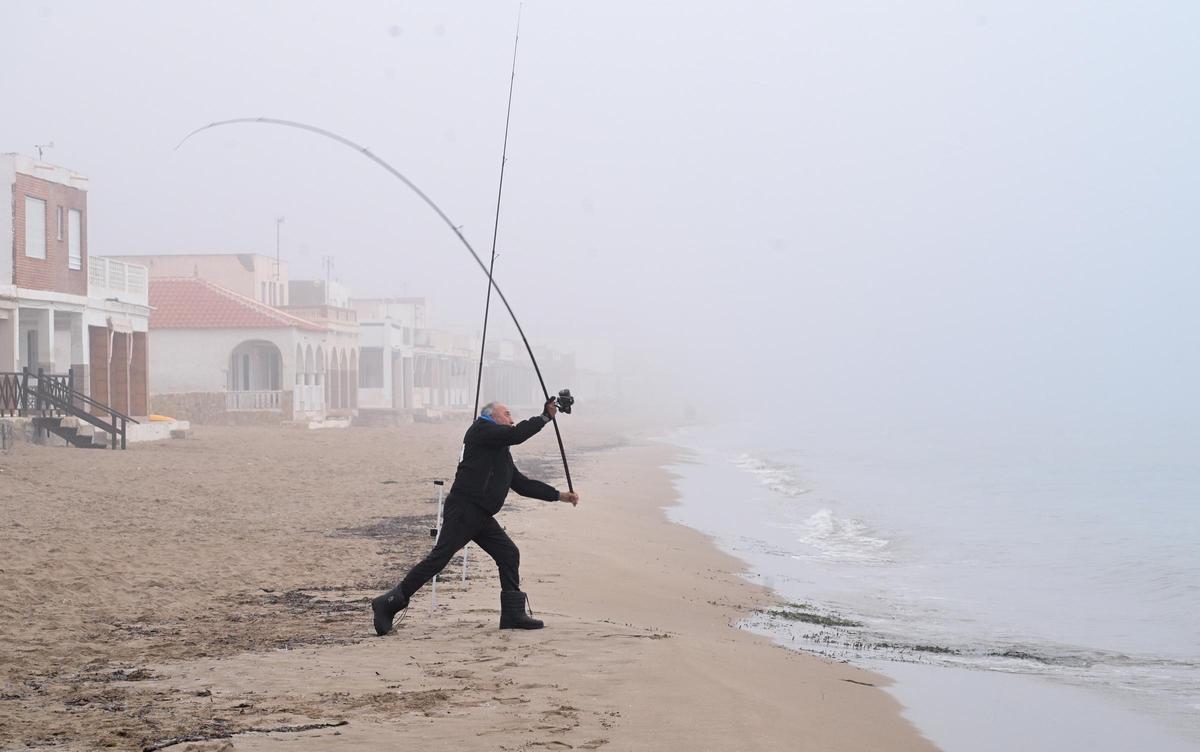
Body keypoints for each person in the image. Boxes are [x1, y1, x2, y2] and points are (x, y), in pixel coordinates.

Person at [371, 398, 580, 635]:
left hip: (480, 515)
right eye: (507, 414)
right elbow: (518, 434)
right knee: (438, 559)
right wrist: (545, 417)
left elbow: (522, 485)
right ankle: (388, 603)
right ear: (490, 416)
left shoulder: (499, 448)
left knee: (508, 553)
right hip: (464, 509)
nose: (512, 420)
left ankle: (513, 614)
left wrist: (560, 496)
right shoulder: (481, 429)